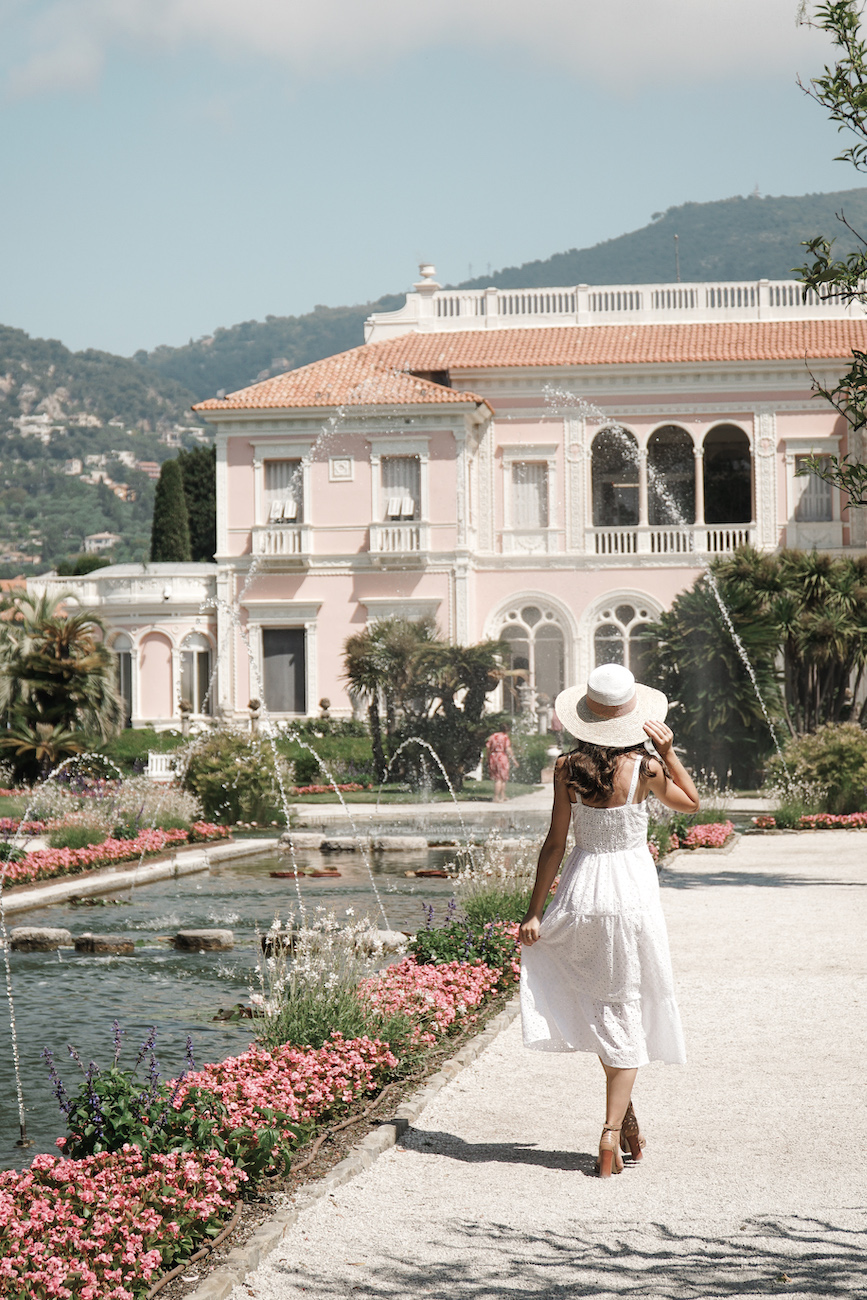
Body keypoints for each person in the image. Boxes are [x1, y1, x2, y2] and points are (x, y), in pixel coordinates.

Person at [519, 663, 699, 1178]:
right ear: (634, 716)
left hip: (582, 892)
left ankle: (629, 1119)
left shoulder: (566, 768)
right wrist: (668, 753)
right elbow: (692, 805)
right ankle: (610, 1132)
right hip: (632, 898)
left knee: (604, 1004)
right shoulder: (645, 769)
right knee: (625, 1008)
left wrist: (535, 912)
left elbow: (554, 845)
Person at [485, 721, 515, 803]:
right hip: (502, 757)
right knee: (501, 778)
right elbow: (508, 749)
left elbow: (488, 748)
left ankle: (503, 796)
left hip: (493, 756)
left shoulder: (493, 736)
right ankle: (496, 797)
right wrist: (514, 760)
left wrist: (487, 757)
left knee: (499, 777)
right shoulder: (505, 737)